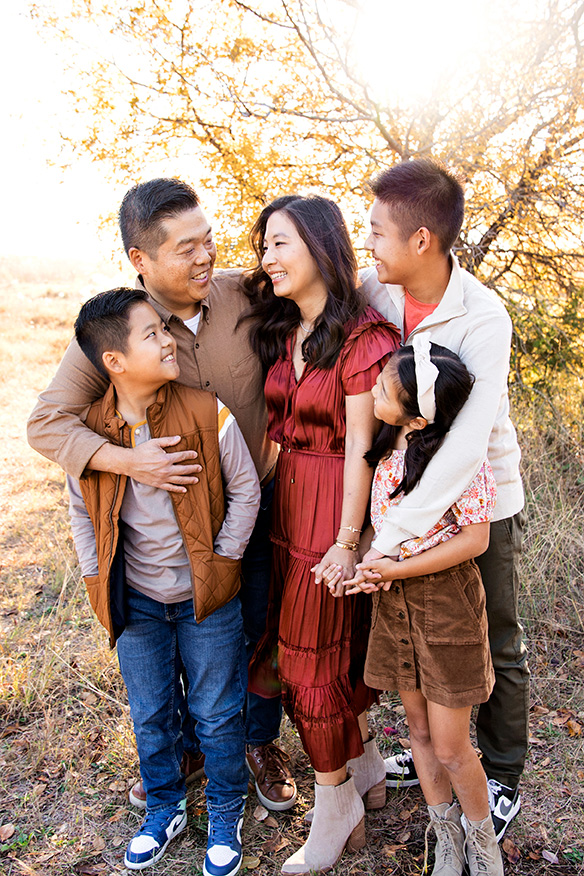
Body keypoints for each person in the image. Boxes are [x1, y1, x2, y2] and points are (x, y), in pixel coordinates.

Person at [26, 179, 298, 812]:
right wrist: (130, 462)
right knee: (174, 640)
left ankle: (258, 742)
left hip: (253, 504)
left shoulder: (244, 292)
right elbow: (46, 423)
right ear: (141, 261)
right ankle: (188, 750)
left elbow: (321, 287)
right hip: (171, 529)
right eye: (186, 248)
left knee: (256, 632)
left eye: (209, 240)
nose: (205, 257)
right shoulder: (124, 329)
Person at [359, 159, 528, 841]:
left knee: (492, 638)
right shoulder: (380, 289)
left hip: (476, 503)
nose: (366, 245)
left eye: (376, 232)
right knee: (419, 636)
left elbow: (465, 449)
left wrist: (391, 538)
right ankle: (433, 744)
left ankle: (504, 773)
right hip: (398, 495)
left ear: (421, 239)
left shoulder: (483, 318)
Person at [65, 288, 260, 873]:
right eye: (151, 334)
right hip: (138, 602)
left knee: (218, 711)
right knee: (150, 711)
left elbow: (246, 489)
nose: (167, 339)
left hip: (207, 597)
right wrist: (95, 577)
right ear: (114, 362)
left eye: (164, 330)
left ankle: (226, 808)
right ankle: (166, 805)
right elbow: (81, 509)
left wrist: (224, 562)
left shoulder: (206, 411)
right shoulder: (91, 431)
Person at [242, 195, 400, 874]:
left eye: (279, 244)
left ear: (320, 246)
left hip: (333, 518)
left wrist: (346, 539)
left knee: (310, 668)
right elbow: (280, 439)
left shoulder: (365, 339)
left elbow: (366, 448)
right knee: (314, 654)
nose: (266, 259)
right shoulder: (289, 332)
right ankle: (363, 768)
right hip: (287, 515)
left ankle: (335, 805)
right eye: (264, 246)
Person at [345, 338, 503, 876]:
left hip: (445, 606)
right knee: (417, 733)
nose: (372, 389)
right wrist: (364, 564)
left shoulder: (457, 463)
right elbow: (381, 532)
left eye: (383, 387)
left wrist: (391, 570)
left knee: (453, 745)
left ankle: (483, 844)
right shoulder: (387, 453)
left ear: (415, 412)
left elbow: (475, 541)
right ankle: (447, 839)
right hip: (395, 607)